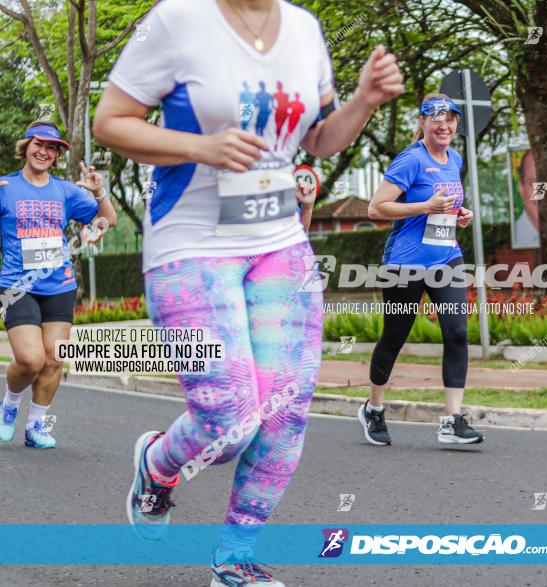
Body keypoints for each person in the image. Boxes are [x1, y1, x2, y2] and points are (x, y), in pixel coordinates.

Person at [92, 0, 402, 585]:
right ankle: (157, 464)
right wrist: (197, 146)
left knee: (285, 413)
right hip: (191, 242)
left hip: (279, 242)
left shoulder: (306, 29)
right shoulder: (178, 20)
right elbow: (110, 121)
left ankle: (233, 563)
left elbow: (319, 139)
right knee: (230, 424)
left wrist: (363, 101)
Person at [363, 93, 483, 447]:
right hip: (405, 262)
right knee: (394, 337)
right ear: (423, 123)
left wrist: (459, 215)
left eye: (450, 119)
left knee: (457, 333)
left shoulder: (455, 158)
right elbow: (375, 208)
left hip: (446, 257)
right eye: (436, 119)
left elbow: (444, 207)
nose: (444, 125)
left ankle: (452, 420)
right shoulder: (410, 160)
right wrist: (425, 206)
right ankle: (373, 408)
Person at [0, 121, 117, 449]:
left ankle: (36, 427)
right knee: (30, 359)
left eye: (52, 148)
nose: (44, 151)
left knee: (53, 359)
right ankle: (9, 405)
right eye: (39, 144)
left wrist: (99, 192)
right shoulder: (5, 188)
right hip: (17, 286)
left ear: (56, 155)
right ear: (26, 146)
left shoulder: (66, 191)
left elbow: (106, 222)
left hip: (59, 285)